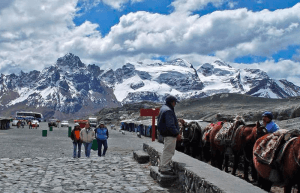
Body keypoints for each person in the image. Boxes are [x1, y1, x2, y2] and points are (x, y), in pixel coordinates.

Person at [157, 95, 181, 175]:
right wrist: (177, 133)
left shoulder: (163, 108)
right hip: (169, 134)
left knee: (166, 150)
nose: (175, 104)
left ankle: (162, 166)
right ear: (172, 102)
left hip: (165, 133)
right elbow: (170, 125)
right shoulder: (168, 111)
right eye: (175, 102)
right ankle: (164, 168)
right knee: (169, 151)